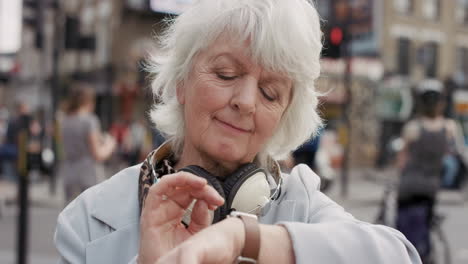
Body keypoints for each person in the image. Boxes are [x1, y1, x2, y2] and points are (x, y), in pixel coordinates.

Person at [54, 1, 421, 263]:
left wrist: (248, 240)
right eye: (226, 74)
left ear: (284, 115)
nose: (246, 101)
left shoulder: (301, 201)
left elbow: (399, 256)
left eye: (270, 92)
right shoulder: (86, 220)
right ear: (181, 82)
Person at [396, 79, 464, 263]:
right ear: (441, 103)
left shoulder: (412, 128)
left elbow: (401, 161)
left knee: (402, 229)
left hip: (408, 186)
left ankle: (403, 256)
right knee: (424, 224)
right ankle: (423, 255)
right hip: (430, 186)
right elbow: (456, 152)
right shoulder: (450, 127)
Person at [59, 83, 116, 203]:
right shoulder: (89, 121)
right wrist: (110, 144)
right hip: (88, 174)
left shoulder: (65, 121)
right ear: (88, 101)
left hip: (69, 174)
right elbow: (98, 155)